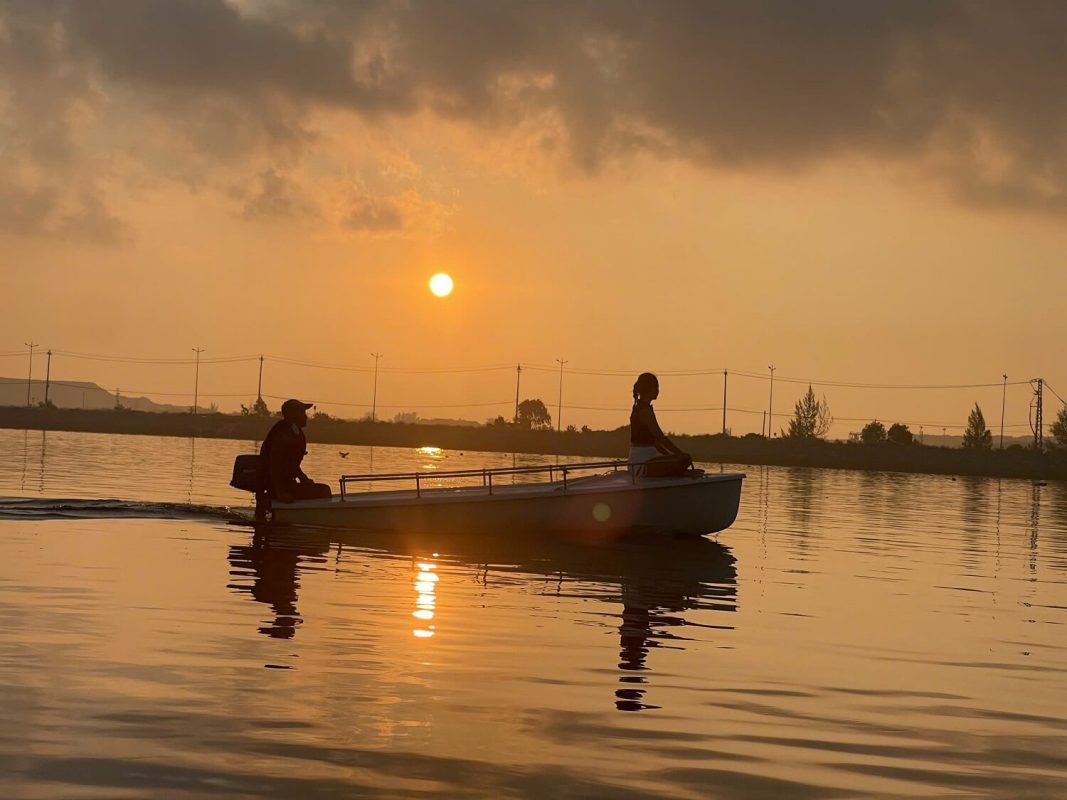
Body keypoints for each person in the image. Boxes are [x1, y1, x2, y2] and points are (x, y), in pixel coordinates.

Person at [255, 398, 332, 521]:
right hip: (274, 488)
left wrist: (304, 479)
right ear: (292, 415)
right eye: (302, 413)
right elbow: (274, 466)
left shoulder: (293, 432)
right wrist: (281, 493)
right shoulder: (282, 436)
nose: (306, 417)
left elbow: (292, 465)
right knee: (324, 491)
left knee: (319, 490)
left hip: (286, 485)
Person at [629, 372, 691, 475]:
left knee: (679, 459)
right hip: (642, 464)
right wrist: (680, 454)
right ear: (650, 389)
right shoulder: (646, 412)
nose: (658, 391)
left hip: (637, 461)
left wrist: (669, 456)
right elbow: (660, 437)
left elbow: (654, 442)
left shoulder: (638, 407)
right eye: (657, 387)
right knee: (687, 459)